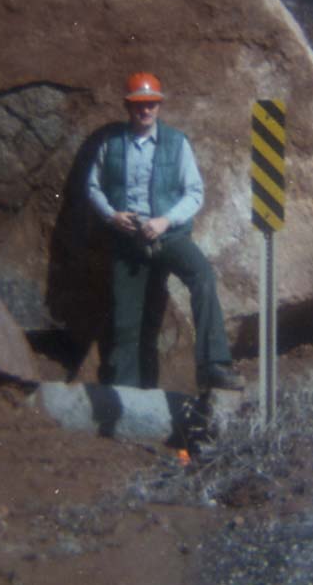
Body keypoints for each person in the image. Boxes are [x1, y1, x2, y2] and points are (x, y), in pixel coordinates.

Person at [87, 72, 243, 392]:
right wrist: (112, 216)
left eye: (151, 105)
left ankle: (214, 365)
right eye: (139, 105)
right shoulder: (111, 144)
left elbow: (194, 193)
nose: (145, 111)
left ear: (159, 106)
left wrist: (166, 221)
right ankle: (125, 394)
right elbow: (93, 187)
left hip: (169, 236)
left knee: (202, 276)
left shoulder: (177, 142)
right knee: (126, 322)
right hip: (128, 240)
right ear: (128, 107)